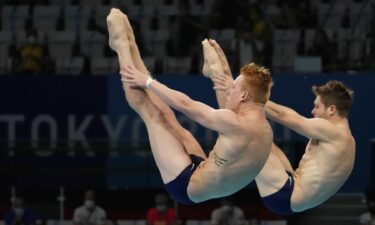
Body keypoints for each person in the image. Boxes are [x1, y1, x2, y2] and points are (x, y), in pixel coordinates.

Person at [106, 8, 273, 204]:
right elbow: (230, 108)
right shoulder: (265, 129)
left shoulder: (235, 123)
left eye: (233, 87)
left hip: (185, 185)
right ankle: (132, 43)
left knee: (153, 115)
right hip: (205, 173)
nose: (230, 90)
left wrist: (147, 82)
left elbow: (186, 105)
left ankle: (122, 47)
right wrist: (222, 70)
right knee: (168, 116)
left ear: (244, 95)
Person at [203, 40, 356, 215]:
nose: (312, 110)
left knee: (244, 130)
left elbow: (283, 116)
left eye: (317, 106)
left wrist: (251, 94)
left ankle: (217, 73)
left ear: (332, 109)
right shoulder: (347, 139)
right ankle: (225, 77)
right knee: (264, 141)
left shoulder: (332, 130)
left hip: (286, 194)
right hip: (292, 191)